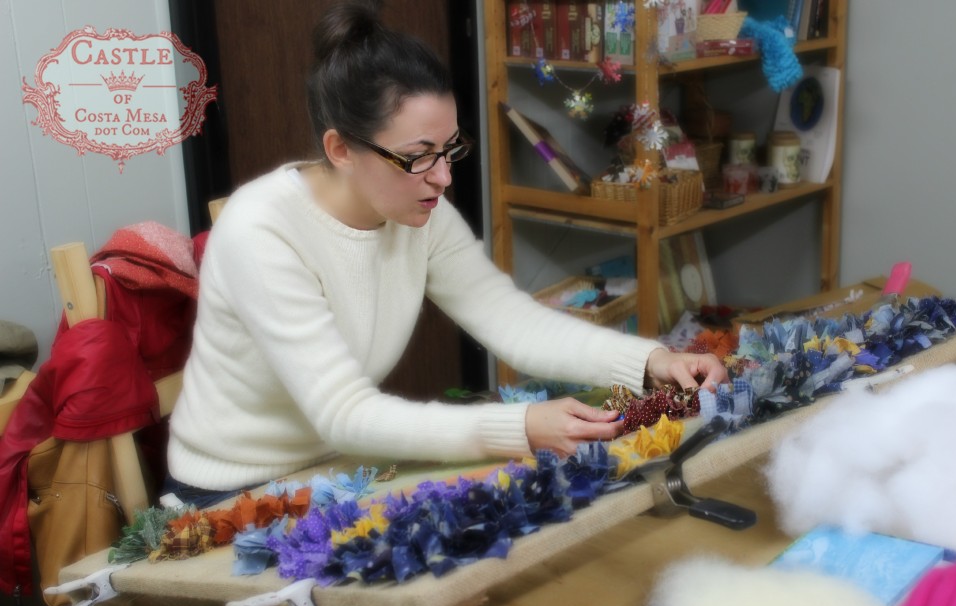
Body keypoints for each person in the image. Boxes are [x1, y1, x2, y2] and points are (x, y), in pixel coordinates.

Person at [165, 0, 727, 508]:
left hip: (343, 471)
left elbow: (510, 322)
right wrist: (522, 425)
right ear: (340, 149)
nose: (442, 177)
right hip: (231, 492)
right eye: (418, 156)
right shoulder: (261, 229)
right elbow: (341, 414)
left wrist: (650, 362)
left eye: (450, 148)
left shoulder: (415, 211)